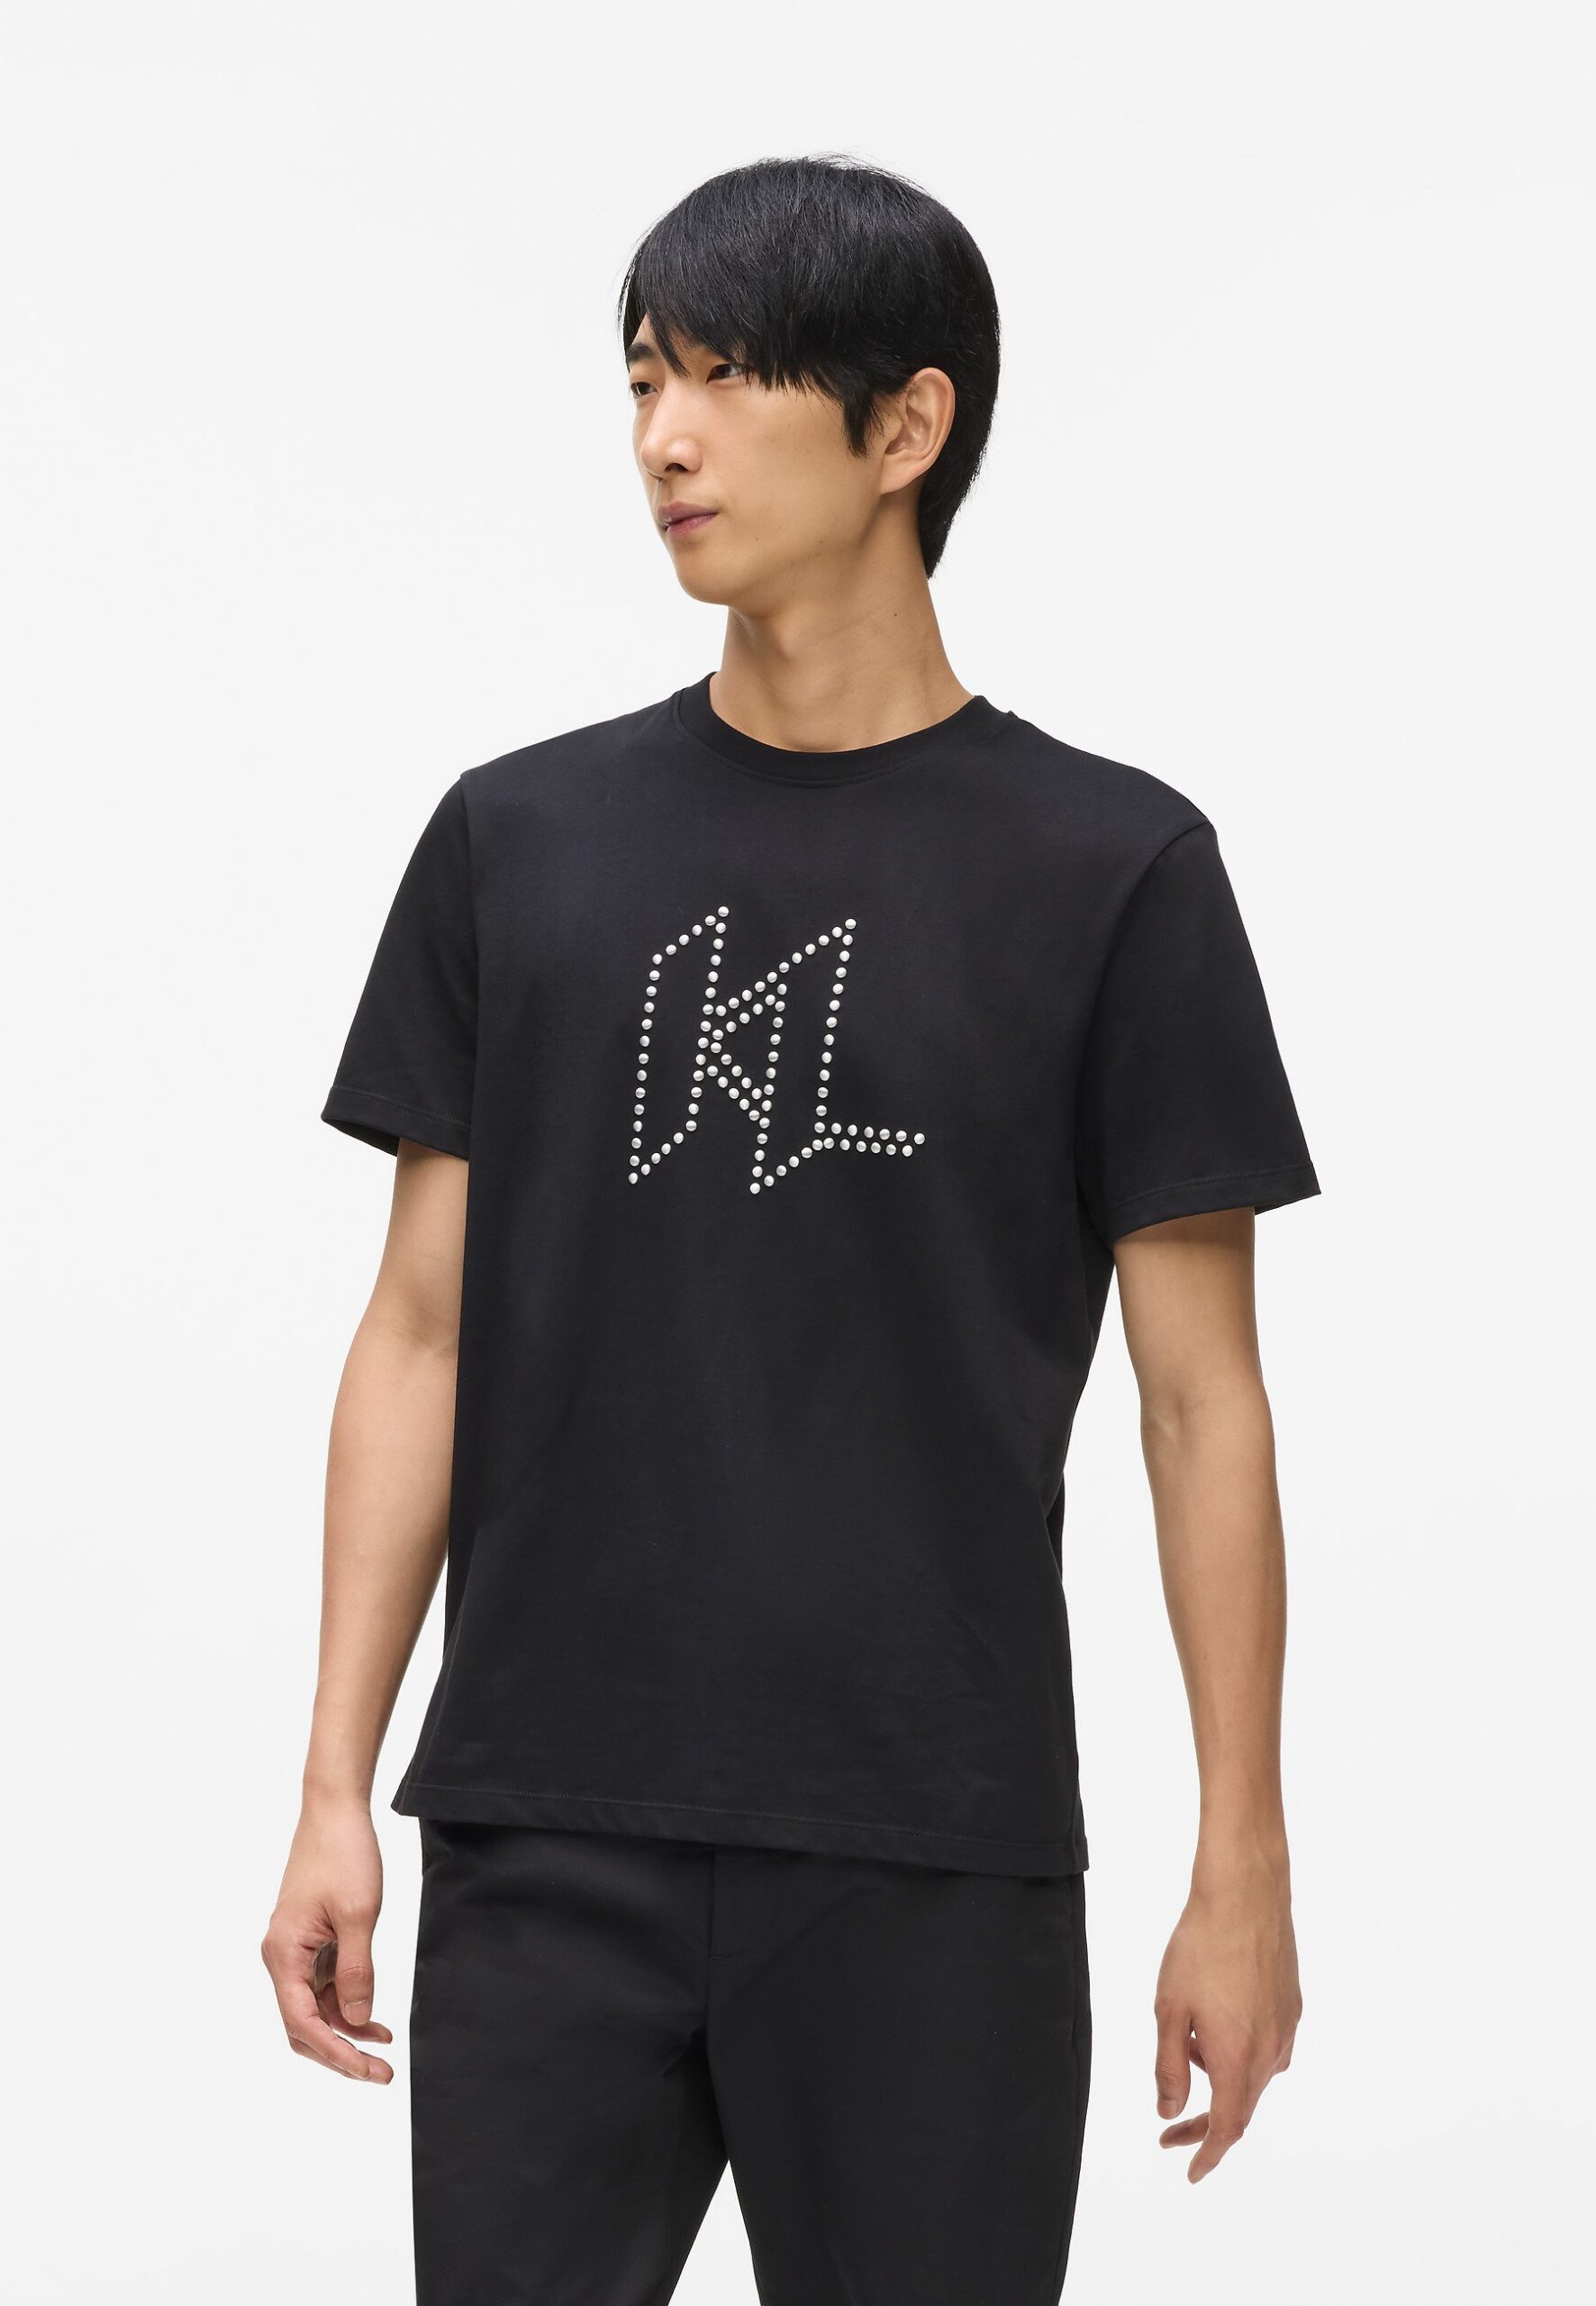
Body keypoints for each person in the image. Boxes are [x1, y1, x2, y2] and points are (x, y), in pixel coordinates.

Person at [262, 153, 1318, 2303]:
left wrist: (1242, 1859)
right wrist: (331, 1782)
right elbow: (418, 1332)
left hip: (930, 1840)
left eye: (726, 377)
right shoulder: (516, 840)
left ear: (905, 425)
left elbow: (1202, 1407)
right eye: (642, 379)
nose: (663, 437)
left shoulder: (1115, 871)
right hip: (548, 1828)